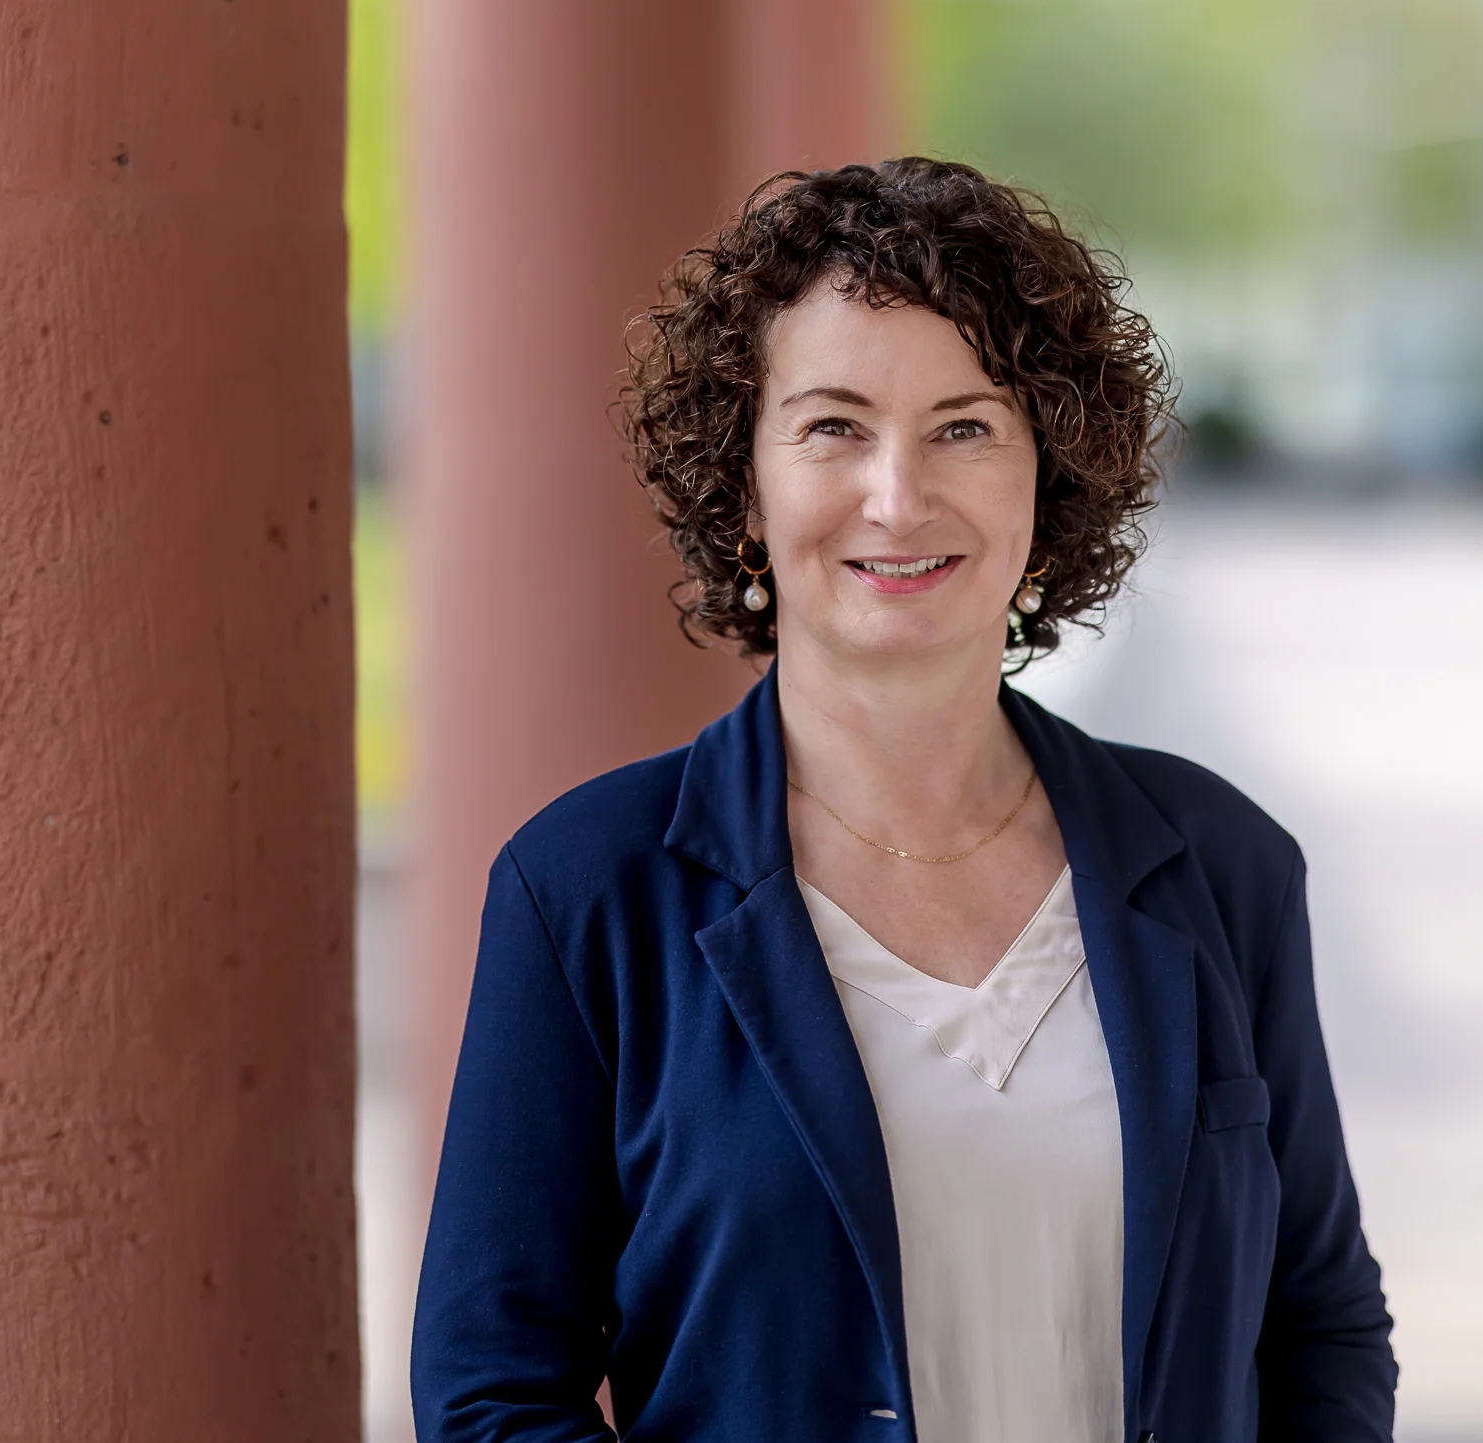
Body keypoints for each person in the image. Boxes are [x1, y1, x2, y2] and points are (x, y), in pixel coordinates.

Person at [411, 159, 1396, 1442]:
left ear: (1047, 481)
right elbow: (493, 1388)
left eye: (964, 426)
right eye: (833, 426)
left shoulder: (1222, 864)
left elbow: (1319, 1323)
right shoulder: (586, 890)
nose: (898, 493)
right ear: (743, 482)